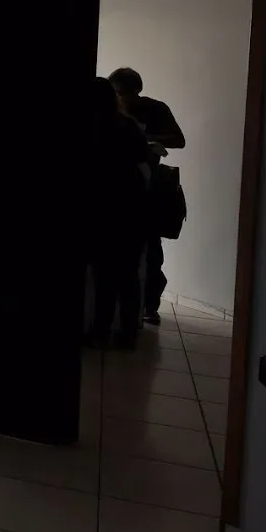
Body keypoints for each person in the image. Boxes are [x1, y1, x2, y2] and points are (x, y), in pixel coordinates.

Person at [108, 68, 186, 326]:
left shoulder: (155, 109)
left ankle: (149, 306)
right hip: (115, 187)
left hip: (147, 188)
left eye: (123, 94)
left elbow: (179, 140)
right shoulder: (109, 109)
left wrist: (143, 138)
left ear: (135, 92)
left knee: (150, 251)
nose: (121, 99)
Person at [86, 77, 151, 349]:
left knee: (104, 276)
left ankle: (100, 331)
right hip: (132, 207)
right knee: (128, 276)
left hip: (102, 209)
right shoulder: (129, 126)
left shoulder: (92, 127)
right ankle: (127, 334)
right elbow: (143, 158)